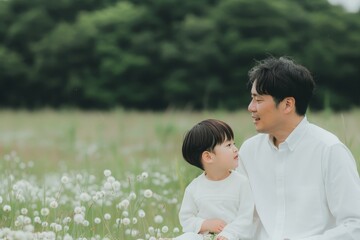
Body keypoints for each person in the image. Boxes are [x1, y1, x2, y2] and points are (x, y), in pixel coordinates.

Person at [238, 56, 360, 240]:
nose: (251, 107)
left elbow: (354, 225)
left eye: (259, 100)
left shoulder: (330, 150)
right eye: (251, 99)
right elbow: (243, 217)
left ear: (288, 104)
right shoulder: (249, 151)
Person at [174, 119, 255, 240]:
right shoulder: (194, 188)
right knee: (189, 236)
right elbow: (186, 219)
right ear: (208, 157)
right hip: (204, 237)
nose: (235, 149)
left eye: (234, 143)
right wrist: (205, 224)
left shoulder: (241, 183)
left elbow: (246, 218)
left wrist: (228, 234)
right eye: (228, 145)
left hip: (234, 236)